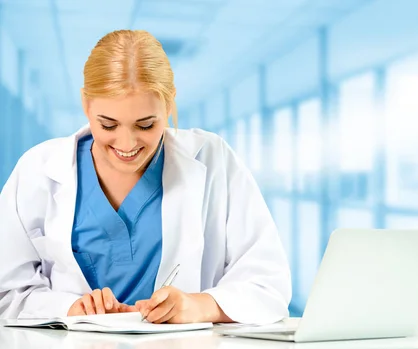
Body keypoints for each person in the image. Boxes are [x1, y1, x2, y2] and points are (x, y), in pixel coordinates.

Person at [0, 29, 292, 325]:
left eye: (145, 125)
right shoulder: (38, 170)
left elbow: (268, 284)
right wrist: (70, 308)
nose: (126, 145)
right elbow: (6, 293)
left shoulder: (214, 160)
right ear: (86, 104)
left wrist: (200, 306)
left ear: (168, 104)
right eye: (108, 125)